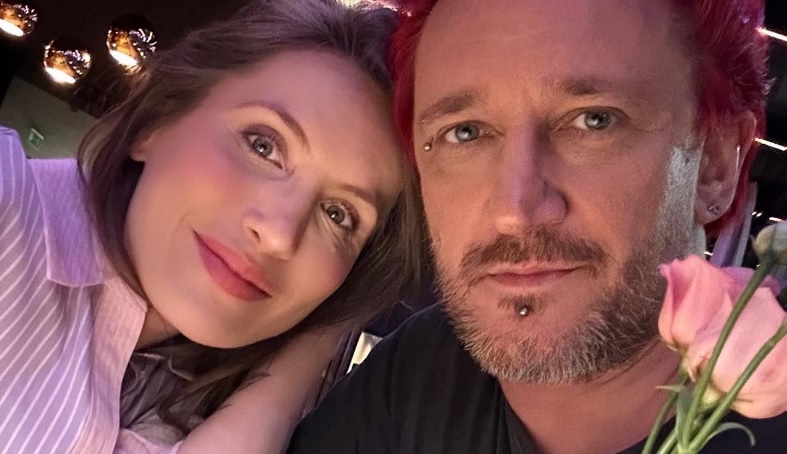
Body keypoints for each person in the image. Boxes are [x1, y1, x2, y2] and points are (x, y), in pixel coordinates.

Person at [287, 0, 787, 452]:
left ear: (716, 165)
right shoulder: (415, 379)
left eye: (594, 120)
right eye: (465, 132)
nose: (516, 210)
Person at [0, 0, 425, 452]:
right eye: (262, 145)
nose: (279, 235)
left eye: (339, 214)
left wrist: (310, 347)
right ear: (156, 120)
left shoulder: (186, 403)